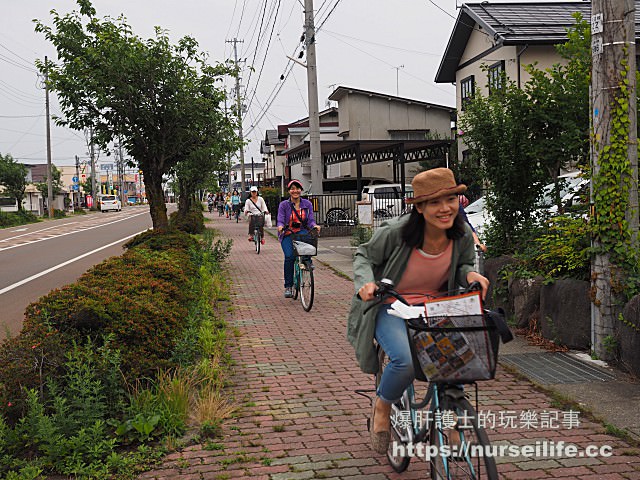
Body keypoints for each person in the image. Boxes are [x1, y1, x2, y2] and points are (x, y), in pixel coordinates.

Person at [346, 168, 490, 455]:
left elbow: (461, 267)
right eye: (435, 202)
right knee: (405, 361)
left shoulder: (460, 236)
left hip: (436, 307)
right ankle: (382, 406)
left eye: (450, 199)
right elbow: (363, 255)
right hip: (393, 306)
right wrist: (366, 284)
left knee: (458, 361)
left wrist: (470, 276)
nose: (445, 208)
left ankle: (450, 422)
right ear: (420, 207)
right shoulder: (397, 233)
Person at [276, 179, 321, 298]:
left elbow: (310, 220)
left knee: (309, 242)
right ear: (289, 191)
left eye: (297, 188)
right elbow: (280, 219)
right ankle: (288, 286)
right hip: (287, 232)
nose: (295, 191)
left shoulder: (307, 204)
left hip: (302, 231)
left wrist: (314, 226)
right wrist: (280, 226)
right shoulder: (284, 205)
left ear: (301, 190)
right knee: (290, 256)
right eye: (292, 189)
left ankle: (307, 261)